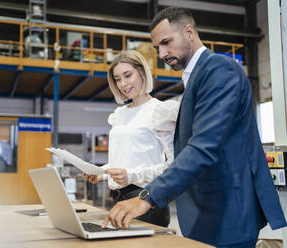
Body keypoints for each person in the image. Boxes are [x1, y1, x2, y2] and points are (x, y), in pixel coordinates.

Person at [102, 7, 287, 248]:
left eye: (167, 42)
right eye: (158, 47)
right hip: (206, 213)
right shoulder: (194, 80)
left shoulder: (219, 70)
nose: (163, 53)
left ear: (189, 32)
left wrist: (146, 197)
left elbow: (202, 148)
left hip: (228, 213)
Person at [84, 50, 180, 227]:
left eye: (128, 75)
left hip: (145, 202)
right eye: (118, 79)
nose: (123, 84)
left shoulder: (160, 111)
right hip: (119, 200)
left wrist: (131, 175)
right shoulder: (119, 114)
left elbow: (173, 166)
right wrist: (102, 173)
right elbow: (126, 160)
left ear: (142, 72)